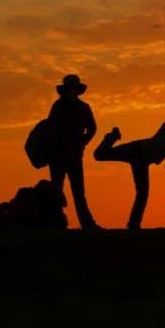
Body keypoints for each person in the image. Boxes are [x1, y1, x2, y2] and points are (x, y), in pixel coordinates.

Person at [94, 106, 165, 230]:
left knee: (142, 193)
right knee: (99, 155)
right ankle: (112, 137)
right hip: (137, 149)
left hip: (142, 160)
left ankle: (133, 224)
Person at [46, 74, 100, 230]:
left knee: (77, 192)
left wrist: (82, 142)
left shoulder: (80, 107)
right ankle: (56, 223)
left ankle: (86, 224)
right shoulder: (60, 106)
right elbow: (51, 128)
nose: (71, 91)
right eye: (70, 89)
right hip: (58, 154)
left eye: (72, 89)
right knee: (58, 190)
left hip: (72, 154)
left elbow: (92, 128)